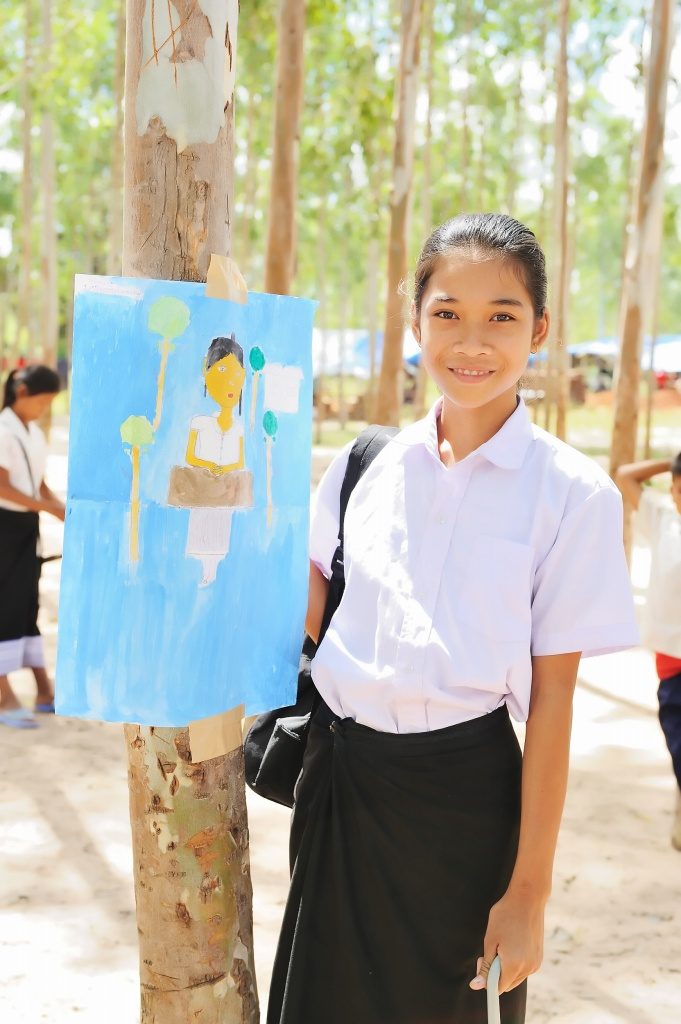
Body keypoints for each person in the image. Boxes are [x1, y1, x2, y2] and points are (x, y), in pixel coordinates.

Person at [267, 214, 639, 1024]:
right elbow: (292, 615)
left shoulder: (571, 496)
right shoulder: (362, 465)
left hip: (462, 809)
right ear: (414, 324)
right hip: (339, 789)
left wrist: (529, 891)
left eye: (501, 317)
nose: (471, 341)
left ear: (538, 330)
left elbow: (552, 705)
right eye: (446, 313)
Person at [616, 455, 681, 851]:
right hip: (671, 667)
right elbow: (624, 475)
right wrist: (671, 462)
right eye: (677, 489)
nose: (679, 498)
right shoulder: (663, 516)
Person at [0, 365, 65, 728]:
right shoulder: (3, 430)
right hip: (5, 527)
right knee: (5, 605)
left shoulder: (32, 433)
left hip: (27, 527)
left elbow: (38, 484)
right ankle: (4, 695)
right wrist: (48, 508)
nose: (42, 409)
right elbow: (3, 487)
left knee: (26, 605)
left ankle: (44, 690)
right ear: (21, 392)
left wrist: (59, 509)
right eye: (40, 401)